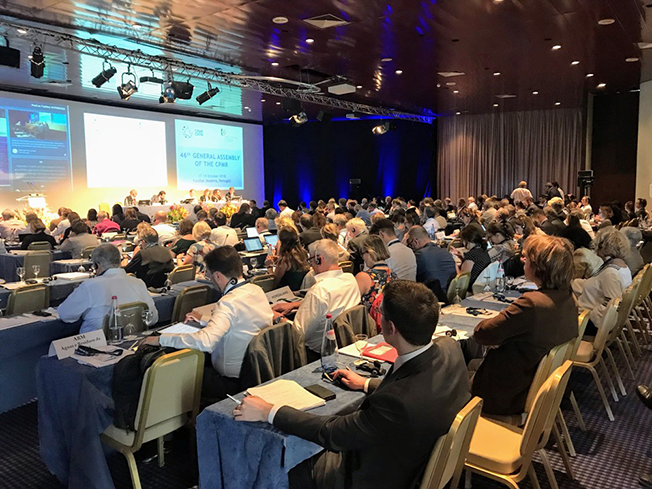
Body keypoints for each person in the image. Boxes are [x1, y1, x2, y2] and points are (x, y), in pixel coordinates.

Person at [235, 280, 471, 489]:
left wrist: (269, 411)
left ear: (390, 327)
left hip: (376, 477)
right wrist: (367, 383)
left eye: (380, 312)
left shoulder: (396, 403)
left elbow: (332, 433)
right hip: (413, 456)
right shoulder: (450, 348)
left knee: (285, 465)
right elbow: (416, 390)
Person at [144, 246, 272, 400]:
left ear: (217, 276)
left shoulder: (229, 302)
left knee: (168, 374)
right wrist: (205, 321)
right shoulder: (256, 290)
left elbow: (206, 342)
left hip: (229, 383)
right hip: (255, 373)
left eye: (209, 274)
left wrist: (160, 339)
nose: (209, 278)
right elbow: (240, 324)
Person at [471, 235, 578, 415]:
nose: (522, 261)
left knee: (455, 379)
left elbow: (482, 333)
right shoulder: (568, 296)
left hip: (510, 393)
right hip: (540, 383)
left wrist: (501, 337)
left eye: (526, 258)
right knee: (473, 364)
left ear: (538, 267)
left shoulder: (531, 304)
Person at [272, 240, 361, 358]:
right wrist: (295, 304)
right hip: (345, 344)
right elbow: (330, 305)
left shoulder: (319, 291)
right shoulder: (350, 279)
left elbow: (298, 334)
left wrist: (278, 318)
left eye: (311, 260)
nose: (311, 265)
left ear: (319, 259)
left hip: (316, 354)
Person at [58, 244, 158, 333]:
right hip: (133, 341)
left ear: (97, 265)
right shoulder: (138, 283)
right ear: (119, 262)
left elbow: (65, 315)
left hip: (96, 344)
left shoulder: (90, 286)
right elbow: (153, 318)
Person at [573, 228, 633, 334]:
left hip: (590, 323)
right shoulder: (622, 266)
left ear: (602, 246)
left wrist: (589, 316)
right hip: (590, 317)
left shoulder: (610, 273)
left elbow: (610, 306)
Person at [355, 235, 397, 326]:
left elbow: (352, 305)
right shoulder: (393, 275)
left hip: (370, 326)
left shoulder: (364, 277)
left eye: (362, 253)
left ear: (369, 252)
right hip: (388, 324)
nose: (363, 258)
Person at [406, 226, 456, 299]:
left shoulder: (420, 255)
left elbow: (412, 279)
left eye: (410, 244)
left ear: (415, 241)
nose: (411, 247)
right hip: (451, 295)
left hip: (432, 297)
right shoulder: (446, 252)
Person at [452, 224, 491, 290]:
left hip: (471, 287)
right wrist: (462, 257)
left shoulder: (471, 255)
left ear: (467, 240)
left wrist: (454, 263)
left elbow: (461, 279)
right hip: (482, 283)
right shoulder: (483, 251)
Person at [271, 226, 310, 291]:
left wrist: (269, 267)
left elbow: (274, 283)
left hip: (286, 293)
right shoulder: (304, 254)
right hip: (300, 291)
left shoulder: (285, 260)